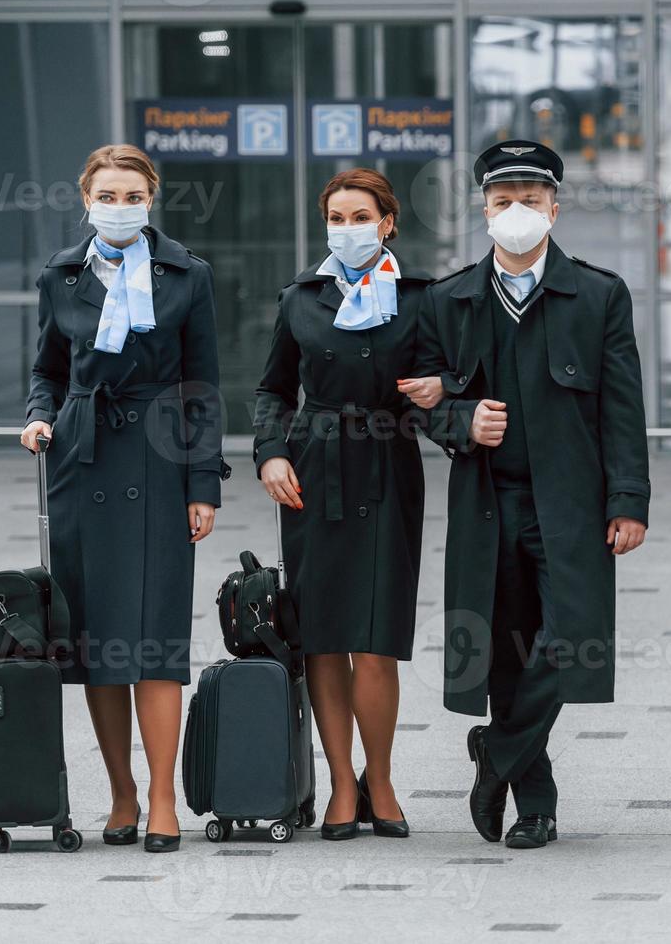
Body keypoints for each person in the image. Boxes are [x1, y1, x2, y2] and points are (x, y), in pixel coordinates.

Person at [414, 140, 651, 850]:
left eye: (530, 200)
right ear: (484, 210)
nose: (516, 213)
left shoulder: (599, 294)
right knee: (506, 651)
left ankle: (499, 751)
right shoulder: (447, 299)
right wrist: (462, 419)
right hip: (488, 504)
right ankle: (536, 805)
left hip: (572, 505)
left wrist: (629, 499)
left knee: (572, 639)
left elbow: (621, 406)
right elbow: (420, 399)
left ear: (554, 206)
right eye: (502, 201)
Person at [22, 143, 228, 853]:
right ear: (86, 199)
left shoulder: (187, 274)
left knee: (157, 636)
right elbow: (47, 368)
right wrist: (37, 415)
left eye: (131, 196)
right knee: (96, 640)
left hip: (159, 455)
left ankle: (165, 796)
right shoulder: (61, 272)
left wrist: (205, 485)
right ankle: (121, 793)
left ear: (152, 198)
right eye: (106, 196)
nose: (118, 207)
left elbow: (203, 383)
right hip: (83, 458)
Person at [253, 168, 444, 841]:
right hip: (314, 470)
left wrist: (441, 390)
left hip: (388, 466)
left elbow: (453, 375)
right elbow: (272, 389)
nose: (347, 228)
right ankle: (340, 784)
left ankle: (381, 780)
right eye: (336, 218)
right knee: (325, 637)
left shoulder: (423, 298)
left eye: (360, 216)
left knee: (377, 639)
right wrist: (270, 451)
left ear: (388, 222)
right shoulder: (300, 297)